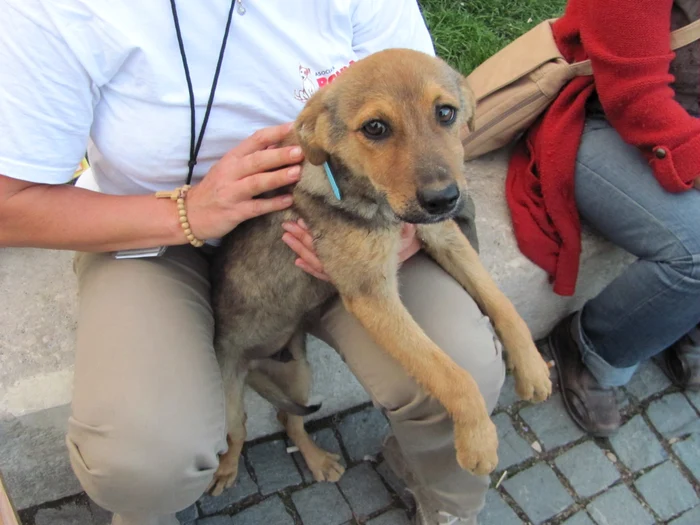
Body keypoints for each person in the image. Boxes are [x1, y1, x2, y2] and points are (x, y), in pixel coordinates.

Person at [0, 1, 506, 524]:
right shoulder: (53, 10)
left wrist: (410, 219)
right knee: (142, 456)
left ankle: (444, 497)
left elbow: (431, 116)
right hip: (152, 234)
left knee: (467, 364)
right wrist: (189, 212)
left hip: (346, 218)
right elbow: (9, 206)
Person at [507, 0, 700, 436]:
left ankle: (686, 323)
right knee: (696, 248)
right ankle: (592, 349)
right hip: (600, 120)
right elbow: (637, 98)